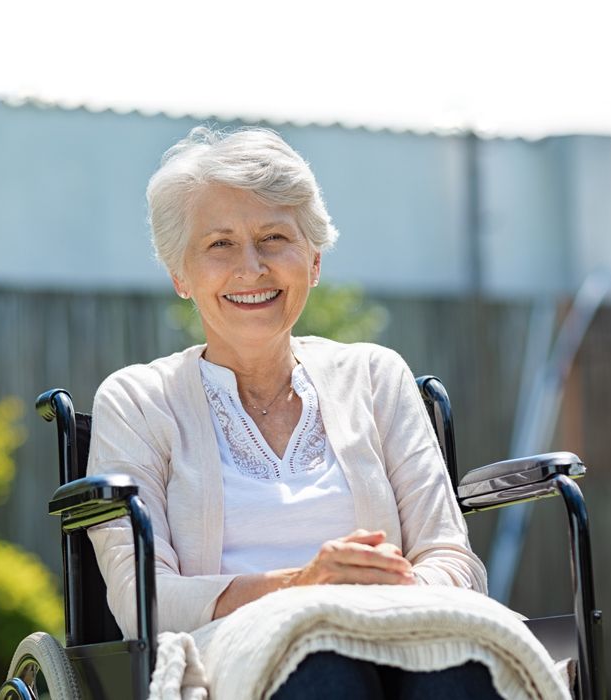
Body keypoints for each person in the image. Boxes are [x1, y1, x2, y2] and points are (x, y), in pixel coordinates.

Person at [86, 125, 500, 698]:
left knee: (461, 671)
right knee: (325, 671)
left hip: (399, 634)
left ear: (314, 261)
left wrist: (384, 607)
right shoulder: (136, 402)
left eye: (274, 237)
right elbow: (142, 601)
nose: (251, 267)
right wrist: (305, 588)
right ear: (181, 275)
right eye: (219, 244)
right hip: (232, 656)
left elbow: (451, 556)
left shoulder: (376, 377)